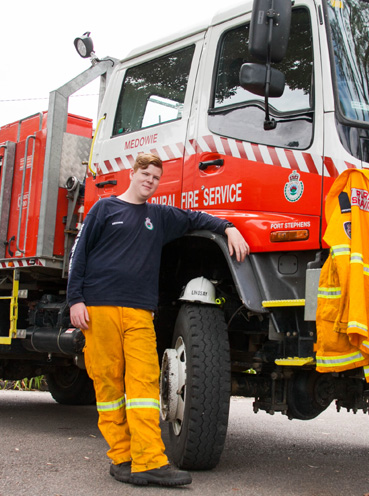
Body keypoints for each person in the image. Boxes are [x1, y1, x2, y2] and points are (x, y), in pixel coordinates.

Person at [67, 152, 249, 486]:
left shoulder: (159, 216)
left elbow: (197, 218)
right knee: (108, 383)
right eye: (146, 174)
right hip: (100, 308)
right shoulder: (104, 209)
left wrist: (228, 227)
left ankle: (149, 460)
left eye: (155, 177)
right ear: (132, 173)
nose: (150, 181)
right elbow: (79, 256)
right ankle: (122, 457)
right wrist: (75, 300)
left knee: (144, 384)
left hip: (139, 311)